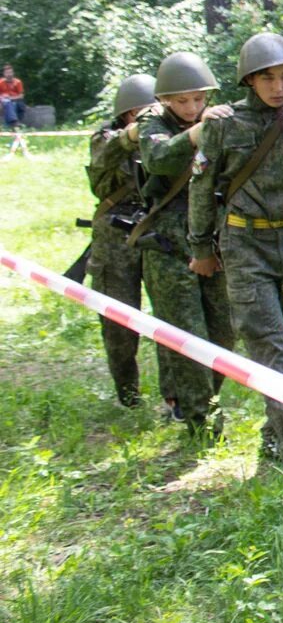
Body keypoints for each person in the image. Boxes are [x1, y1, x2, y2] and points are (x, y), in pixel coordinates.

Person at [188, 32, 283, 476]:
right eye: (268, 78)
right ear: (249, 80)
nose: (278, 86)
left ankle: (277, 434)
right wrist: (200, 246)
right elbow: (201, 186)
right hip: (244, 243)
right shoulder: (223, 123)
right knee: (270, 344)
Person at [132, 52, 237, 439]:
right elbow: (157, 158)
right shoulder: (152, 123)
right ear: (165, 100)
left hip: (211, 240)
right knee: (187, 333)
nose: (193, 108)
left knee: (223, 330)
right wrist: (195, 134)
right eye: (182, 101)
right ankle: (202, 422)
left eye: (199, 99)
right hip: (166, 245)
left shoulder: (218, 117)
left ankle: (192, 397)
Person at [85, 74, 156, 406]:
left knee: (174, 320)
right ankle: (128, 394)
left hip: (156, 232)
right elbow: (107, 151)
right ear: (127, 114)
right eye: (141, 112)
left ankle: (177, 400)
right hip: (115, 238)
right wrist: (133, 134)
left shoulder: (167, 134)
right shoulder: (105, 138)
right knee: (118, 323)